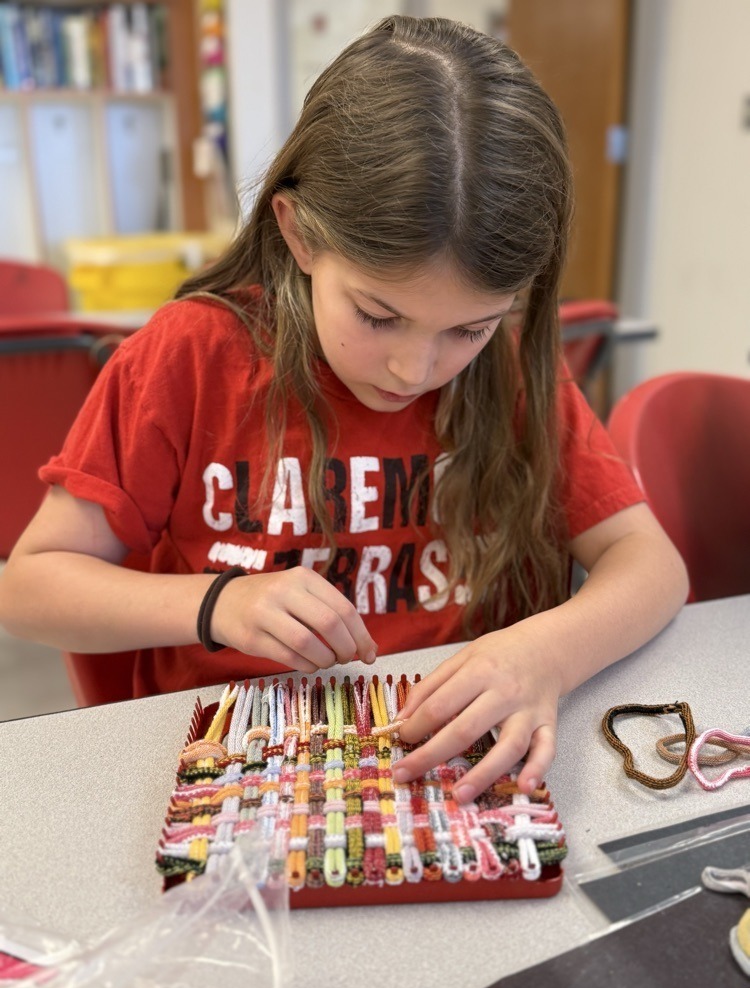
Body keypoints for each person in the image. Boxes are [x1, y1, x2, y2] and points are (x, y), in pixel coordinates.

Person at [0, 15, 688, 801]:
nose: (415, 368)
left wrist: (546, 653)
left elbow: (652, 565)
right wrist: (216, 603)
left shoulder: (510, 365)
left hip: (454, 755)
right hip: (243, 764)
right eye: (376, 314)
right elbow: (30, 588)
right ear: (298, 236)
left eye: (467, 327)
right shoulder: (190, 358)